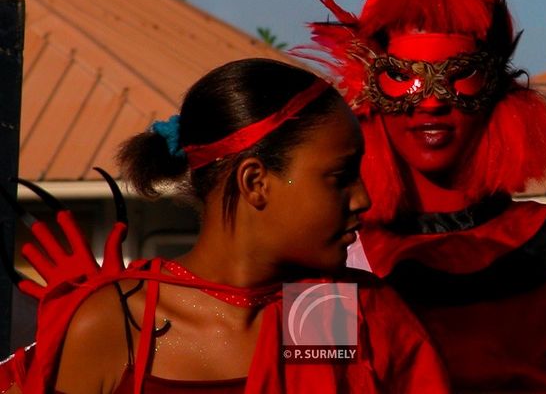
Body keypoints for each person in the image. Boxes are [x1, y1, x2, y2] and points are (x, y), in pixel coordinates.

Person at [1, 58, 449, 394]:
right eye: (340, 176)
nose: (363, 199)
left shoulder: (329, 311)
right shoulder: (118, 321)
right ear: (255, 181)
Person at [299, 0, 546, 392]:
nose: (430, 103)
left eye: (459, 75)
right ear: (367, 88)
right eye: (402, 77)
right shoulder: (329, 256)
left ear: (498, 86)